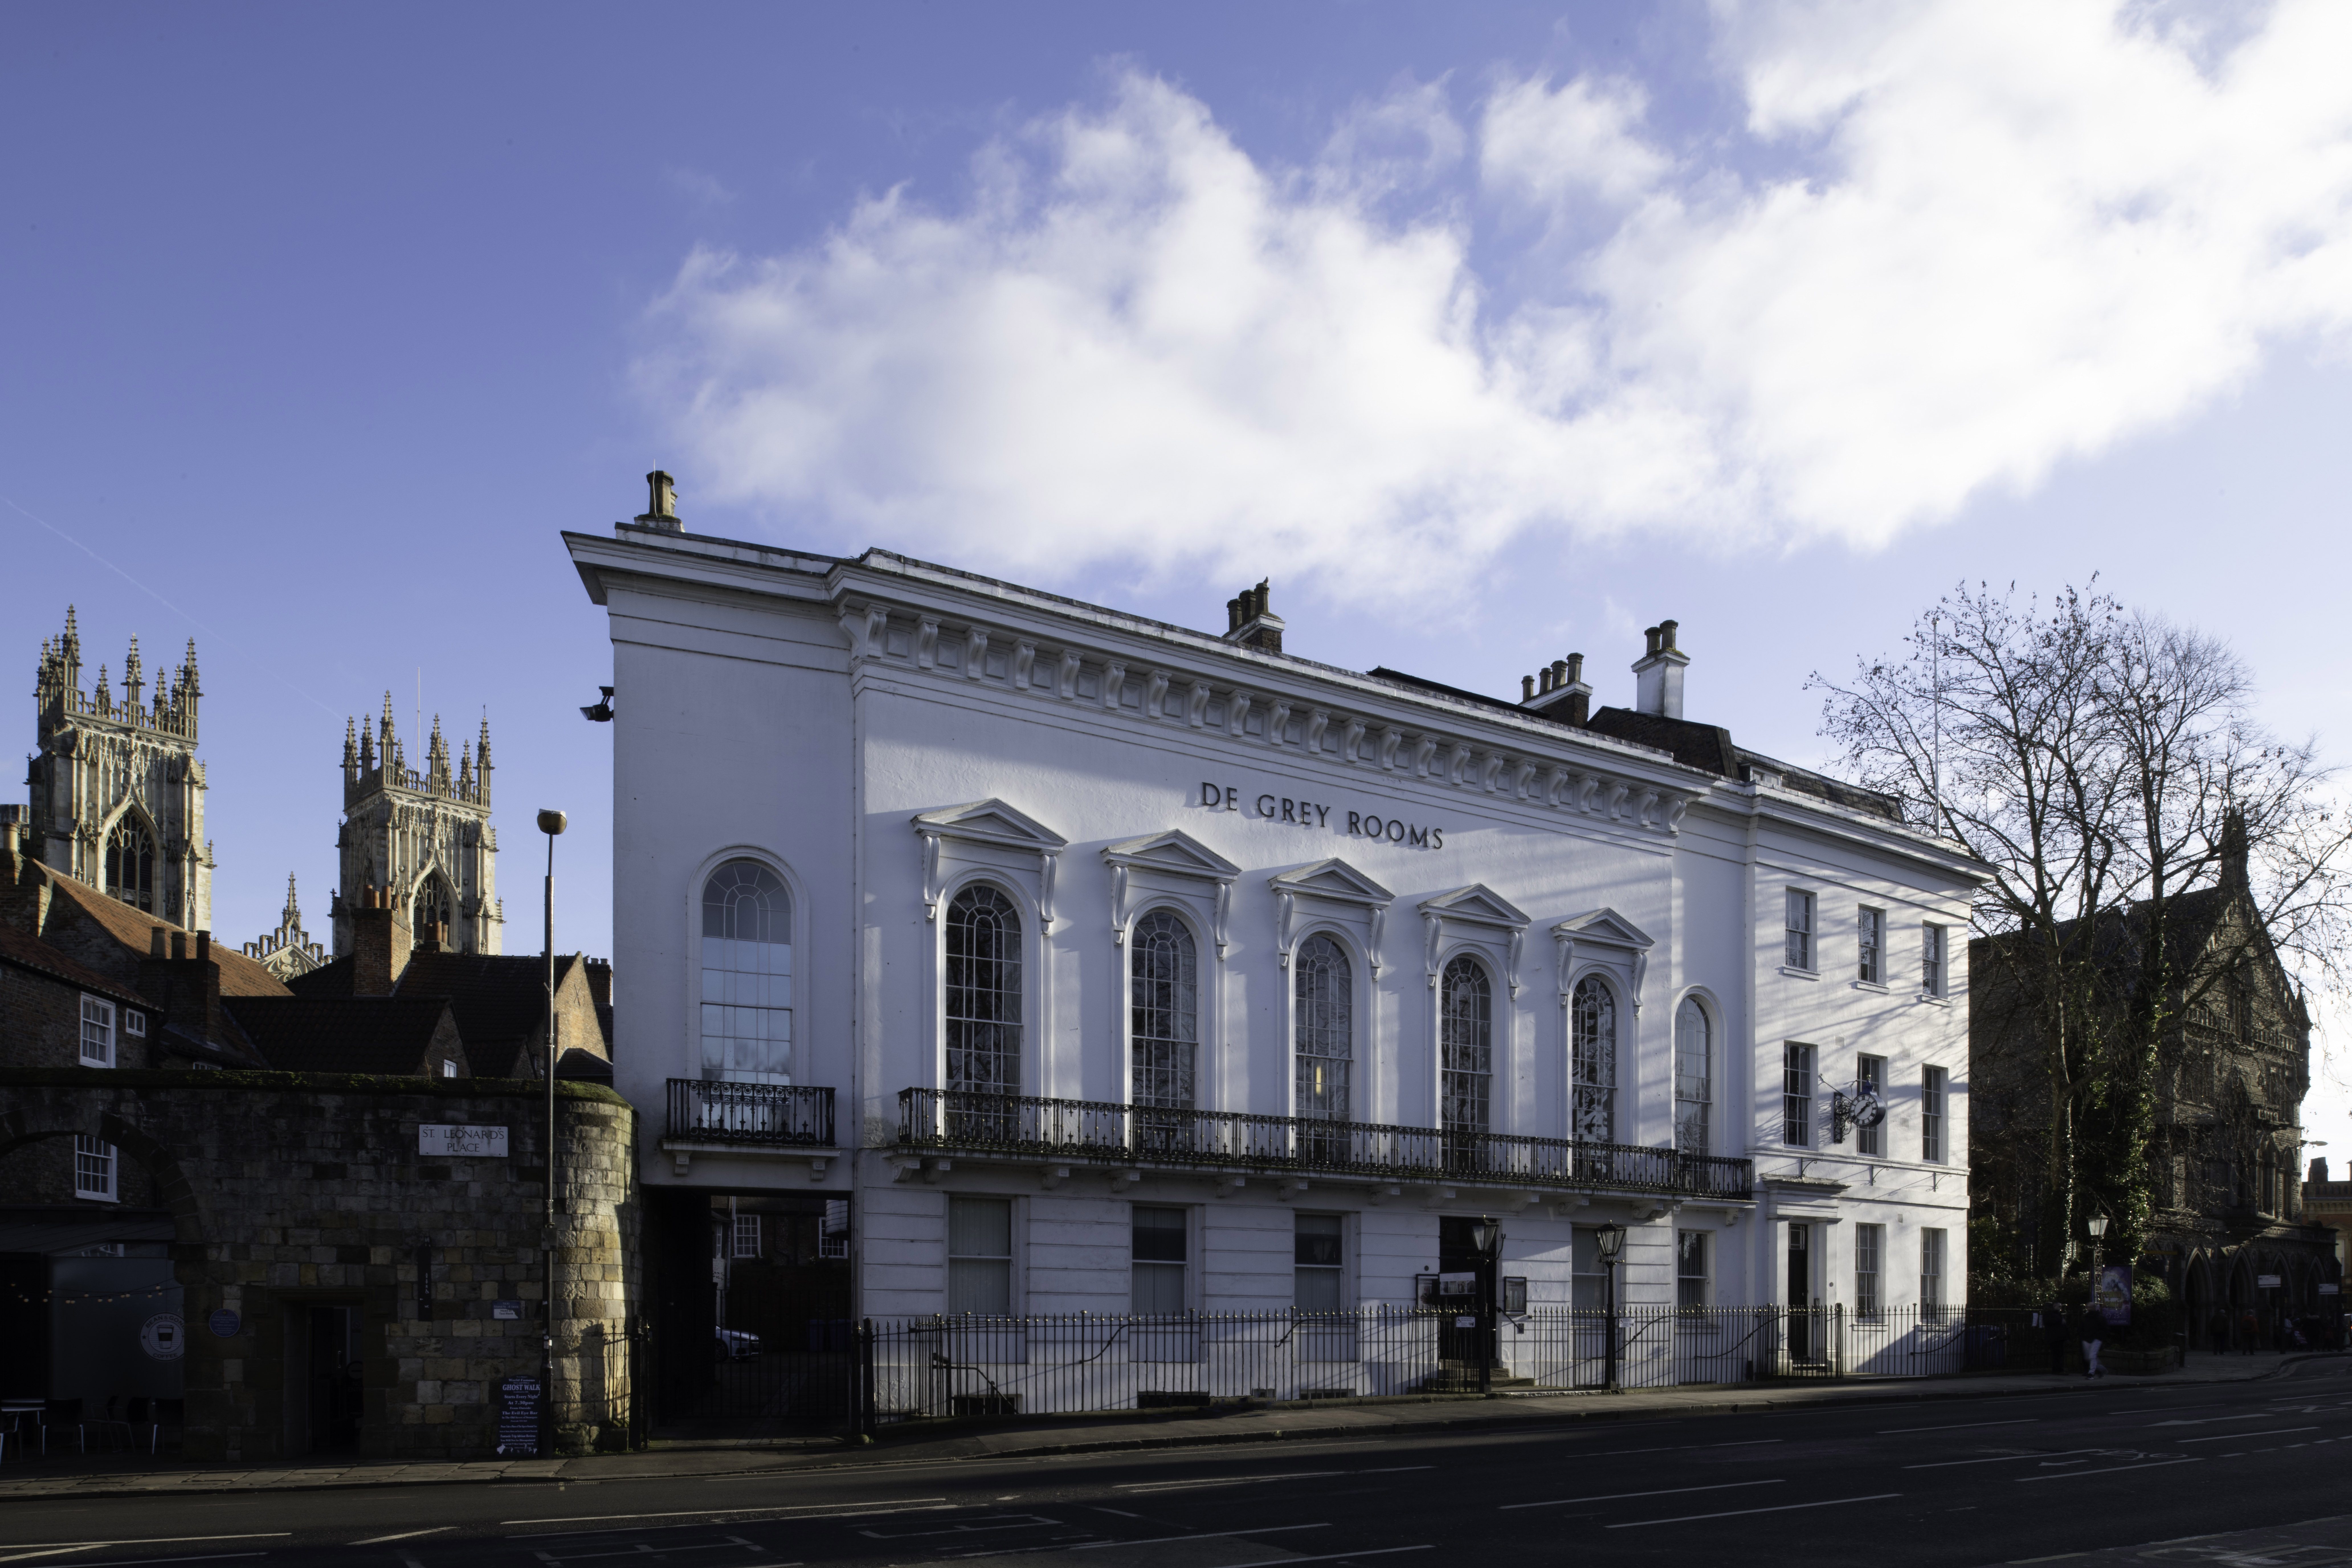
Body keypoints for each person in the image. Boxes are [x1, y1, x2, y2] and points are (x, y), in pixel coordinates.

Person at [2079, 1302, 2106, 1379]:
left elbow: (2104, 1329)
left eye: (2091, 1307)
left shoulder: (2099, 1318)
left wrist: (2100, 1337)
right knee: (2088, 1358)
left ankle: (2091, 1373)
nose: (2089, 1309)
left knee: (2092, 1356)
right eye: (2088, 1307)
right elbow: (2081, 1328)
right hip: (2087, 1339)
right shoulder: (2085, 1317)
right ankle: (2101, 1369)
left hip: (2096, 1339)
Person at [2043, 1301, 2071, 1375]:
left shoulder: (2057, 1314)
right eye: (2059, 1307)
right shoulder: (2050, 1314)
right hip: (2055, 1338)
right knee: (2057, 1354)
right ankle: (2058, 1370)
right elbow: (2049, 1322)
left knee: (2059, 1354)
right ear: (2054, 1307)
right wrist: (2060, 1321)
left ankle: (2058, 1369)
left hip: (2058, 1338)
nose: (2060, 1309)